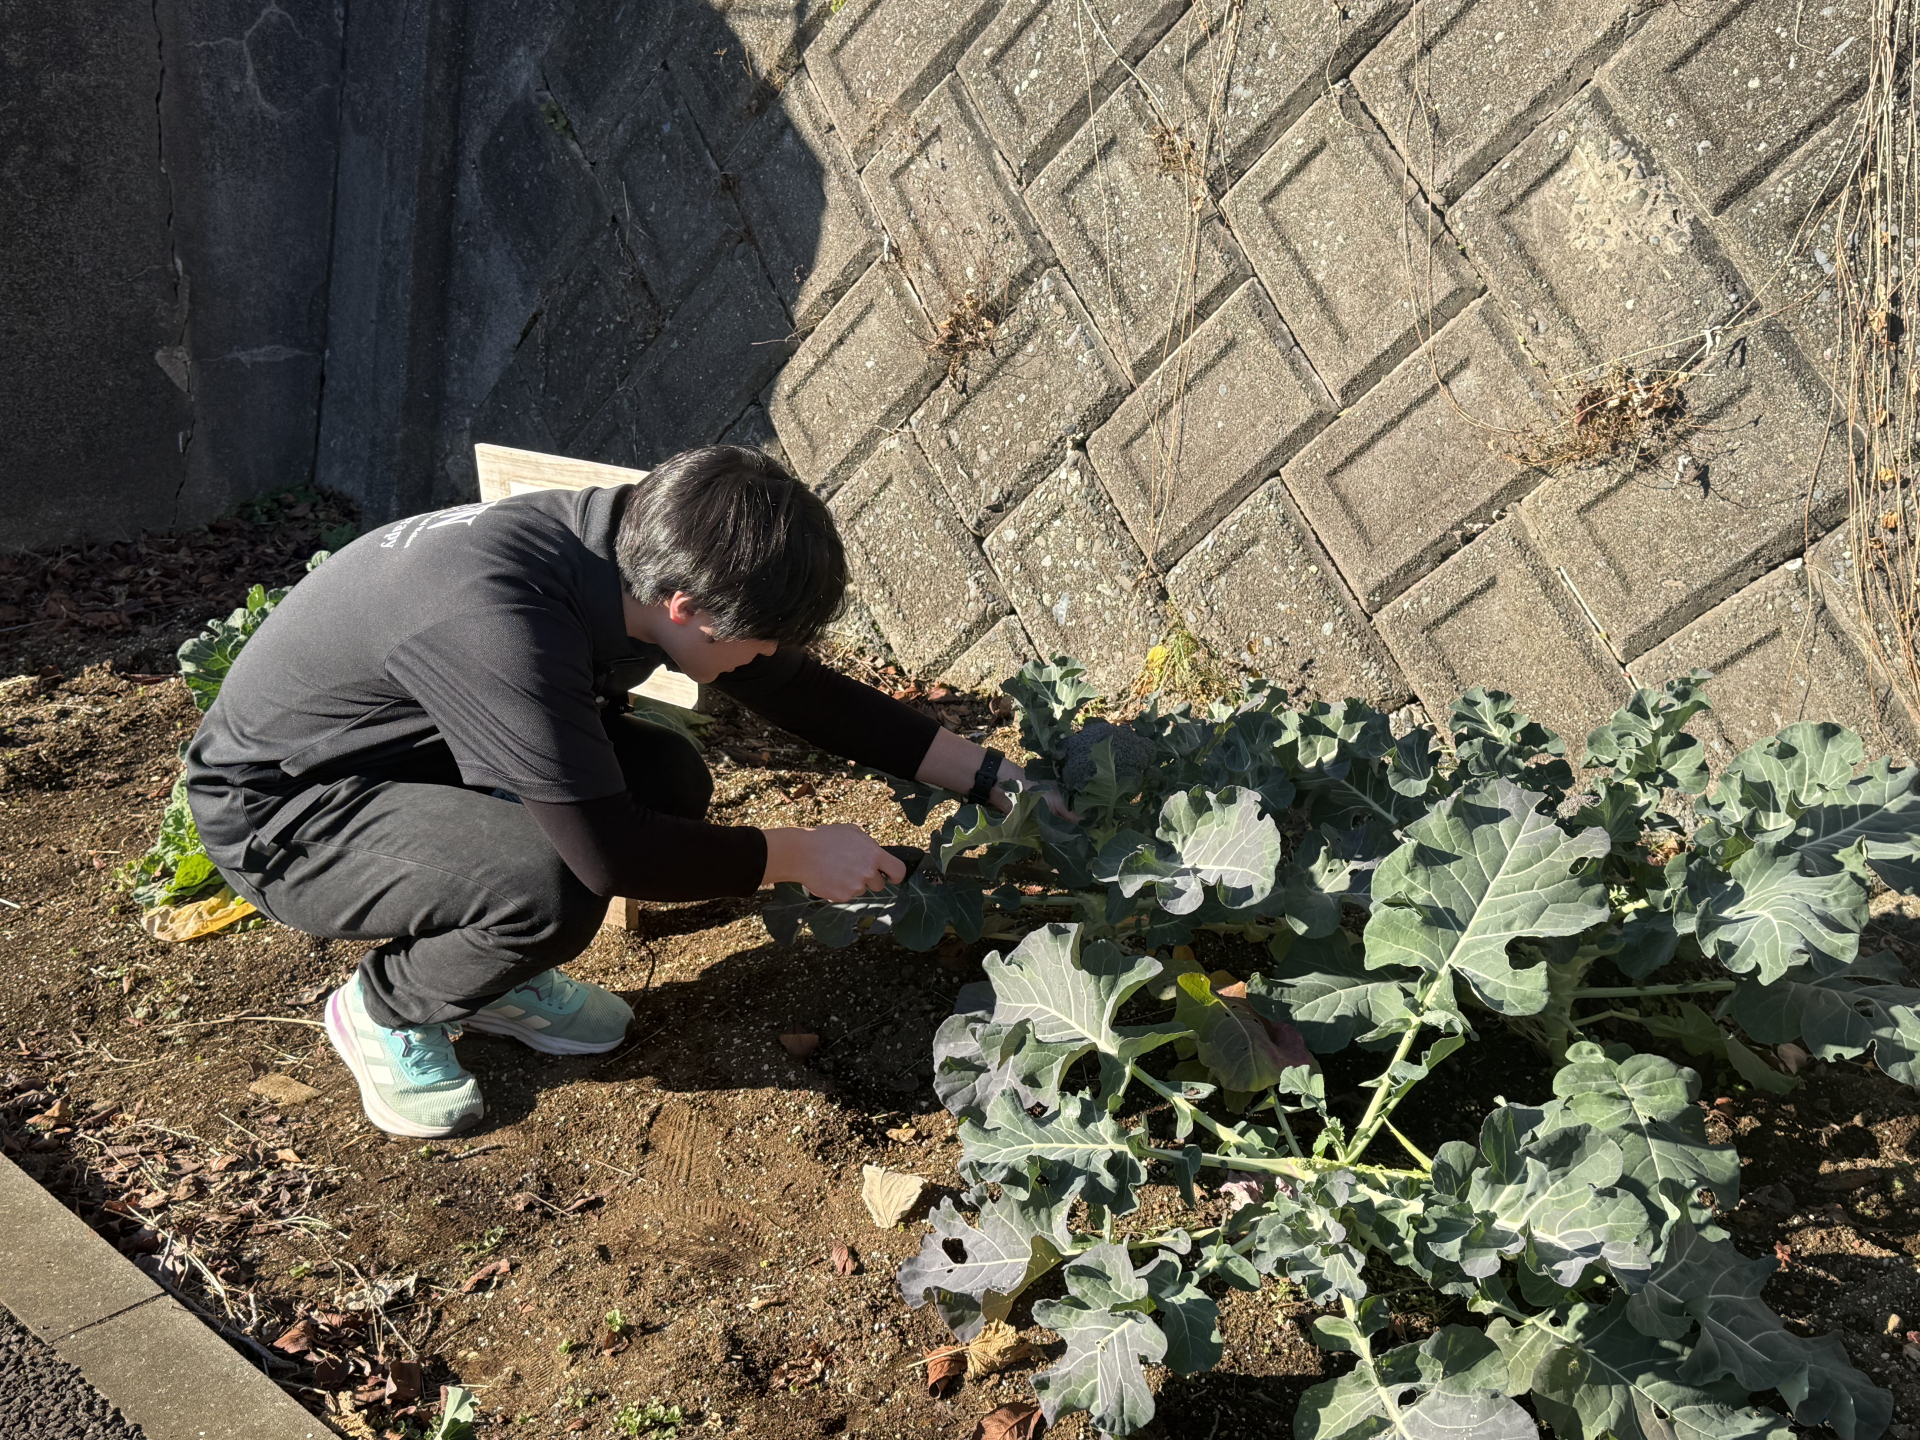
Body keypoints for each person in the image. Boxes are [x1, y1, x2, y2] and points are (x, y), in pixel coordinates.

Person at [184, 446, 1064, 1138]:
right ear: (685, 611)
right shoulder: (501, 624)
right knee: (553, 886)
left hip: (405, 750)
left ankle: (492, 975)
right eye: (754, 644)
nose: (762, 664)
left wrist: (994, 778)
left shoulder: (636, 543)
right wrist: (797, 854)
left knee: (666, 776)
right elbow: (612, 854)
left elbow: (802, 692)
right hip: (287, 813)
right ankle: (387, 1006)